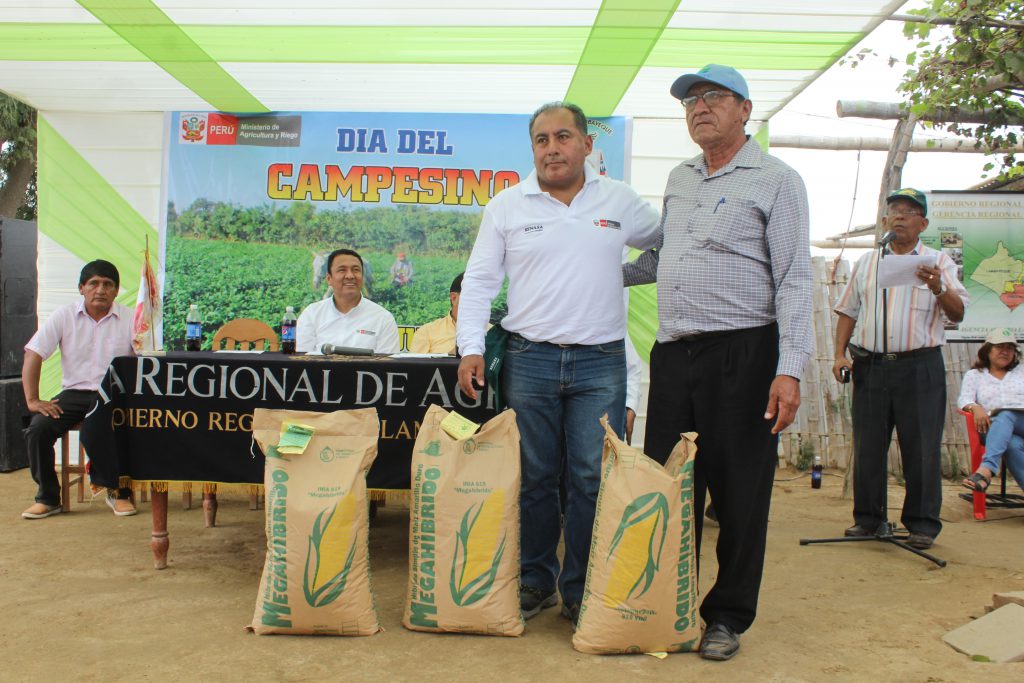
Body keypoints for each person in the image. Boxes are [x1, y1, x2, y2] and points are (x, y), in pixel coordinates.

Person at [623, 64, 813, 661]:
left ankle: (726, 616)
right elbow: (660, 260)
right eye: (690, 101)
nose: (698, 108)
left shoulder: (777, 180)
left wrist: (791, 367)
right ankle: (667, 607)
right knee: (671, 483)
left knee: (738, 491)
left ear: (745, 110)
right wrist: (587, 269)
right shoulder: (679, 180)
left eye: (713, 98)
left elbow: (795, 278)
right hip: (676, 354)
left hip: (745, 352)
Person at [456, 101, 661, 627]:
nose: (553, 148)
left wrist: (626, 276)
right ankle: (536, 578)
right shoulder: (507, 205)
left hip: (602, 363)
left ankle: (582, 587)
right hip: (530, 359)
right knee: (536, 478)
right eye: (542, 139)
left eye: (563, 136)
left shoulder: (621, 201)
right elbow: (480, 280)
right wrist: (471, 348)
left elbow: (667, 245)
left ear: (588, 145)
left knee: (593, 479)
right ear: (533, 149)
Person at [833, 188, 968, 552]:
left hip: (919, 366)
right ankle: (869, 519)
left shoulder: (939, 262)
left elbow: (958, 314)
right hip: (871, 365)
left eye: (909, 212)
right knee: (869, 445)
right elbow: (848, 311)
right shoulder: (868, 262)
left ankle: (922, 525)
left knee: (920, 446)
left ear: (922, 224)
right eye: (894, 211)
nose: (900, 217)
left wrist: (939, 287)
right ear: (884, 221)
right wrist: (838, 354)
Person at [21, 260, 137, 519]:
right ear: (81, 288)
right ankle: (49, 497)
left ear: (116, 291)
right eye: (93, 283)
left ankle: (118, 492)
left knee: (101, 424)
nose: (100, 290)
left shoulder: (131, 318)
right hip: (74, 393)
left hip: (113, 394)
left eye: (108, 284)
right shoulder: (64, 316)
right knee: (38, 428)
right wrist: (32, 400)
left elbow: (147, 358)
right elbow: (33, 353)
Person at [957, 327, 1024, 492]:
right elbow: (964, 398)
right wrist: (975, 407)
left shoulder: (1021, 372)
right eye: (1000, 346)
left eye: (1009, 348)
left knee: (1006, 414)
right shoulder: (975, 375)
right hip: (991, 428)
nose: (1005, 351)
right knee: (1012, 445)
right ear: (987, 350)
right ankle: (986, 469)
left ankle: (986, 470)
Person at [296, 248, 399, 354]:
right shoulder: (311, 314)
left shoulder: (383, 318)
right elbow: (301, 358)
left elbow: (388, 365)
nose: (350, 276)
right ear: (329, 279)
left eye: (356, 270)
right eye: (342, 270)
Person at [409, 273, 463, 354]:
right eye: (473, 297)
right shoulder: (427, 332)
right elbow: (414, 366)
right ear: (454, 298)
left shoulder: (489, 331)